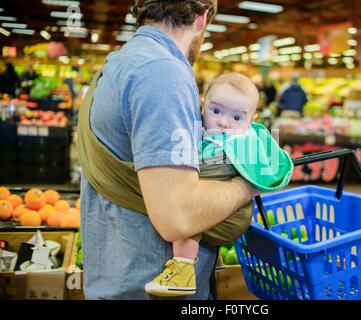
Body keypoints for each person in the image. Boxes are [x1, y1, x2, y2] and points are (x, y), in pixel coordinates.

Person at [76, 0, 261, 300]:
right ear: (201, 20)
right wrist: (250, 182)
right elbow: (179, 218)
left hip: (120, 276)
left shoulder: (123, 60)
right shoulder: (163, 73)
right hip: (149, 286)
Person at [144, 73, 293, 297]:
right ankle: (207, 257)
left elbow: (269, 163)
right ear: (203, 107)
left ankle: (182, 269)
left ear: (252, 121)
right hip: (224, 213)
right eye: (216, 111)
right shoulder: (208, 134)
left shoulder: (240, 143)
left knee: (187, 221)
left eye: (236, 118)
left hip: (230, 213)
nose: (223, 122)